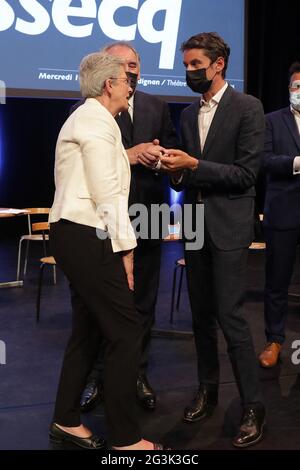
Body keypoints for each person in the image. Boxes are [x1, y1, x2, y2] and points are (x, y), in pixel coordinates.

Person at [49, 51, 167, 450]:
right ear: (108, 85)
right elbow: (106, 193)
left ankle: (66, 419)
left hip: (76, 232)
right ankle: (125, 437)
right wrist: (127, 251)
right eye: (124, 79)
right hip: (88, 233)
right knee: (125, 332)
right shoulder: (96, 122)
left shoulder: (93, 119)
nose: (130, 85)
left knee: (89, 329)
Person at [158, 32, 266, 448]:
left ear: (218, 64)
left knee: (231, 317)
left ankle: (254, 406)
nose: (189, 72)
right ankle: (208, 390)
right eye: (185, 66)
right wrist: (173, 168)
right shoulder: (187, 115)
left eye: (195, 65)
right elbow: (187, 177)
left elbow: (244, 175)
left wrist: (194, 164)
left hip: (229, 226)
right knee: (200, 317)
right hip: (196, 224)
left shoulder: (247, 108)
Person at [79, 42, 178, 413]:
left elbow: (172, 153)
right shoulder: (86, 110)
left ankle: (137, 373)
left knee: (143, 303)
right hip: (103, 221)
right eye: (121, 65)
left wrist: (160, 156)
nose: (128, 71)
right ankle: (98, 376)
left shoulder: (157, 105)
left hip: (148, 215)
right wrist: (130, 154)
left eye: (133, 64)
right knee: (98, 306)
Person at [258, 62, 300, 368]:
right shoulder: (272, 120)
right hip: (283, 211)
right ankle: (274, 340)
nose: (299, 92)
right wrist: (298, 162)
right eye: (295, 86)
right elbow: (264, 161)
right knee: (277, 281)